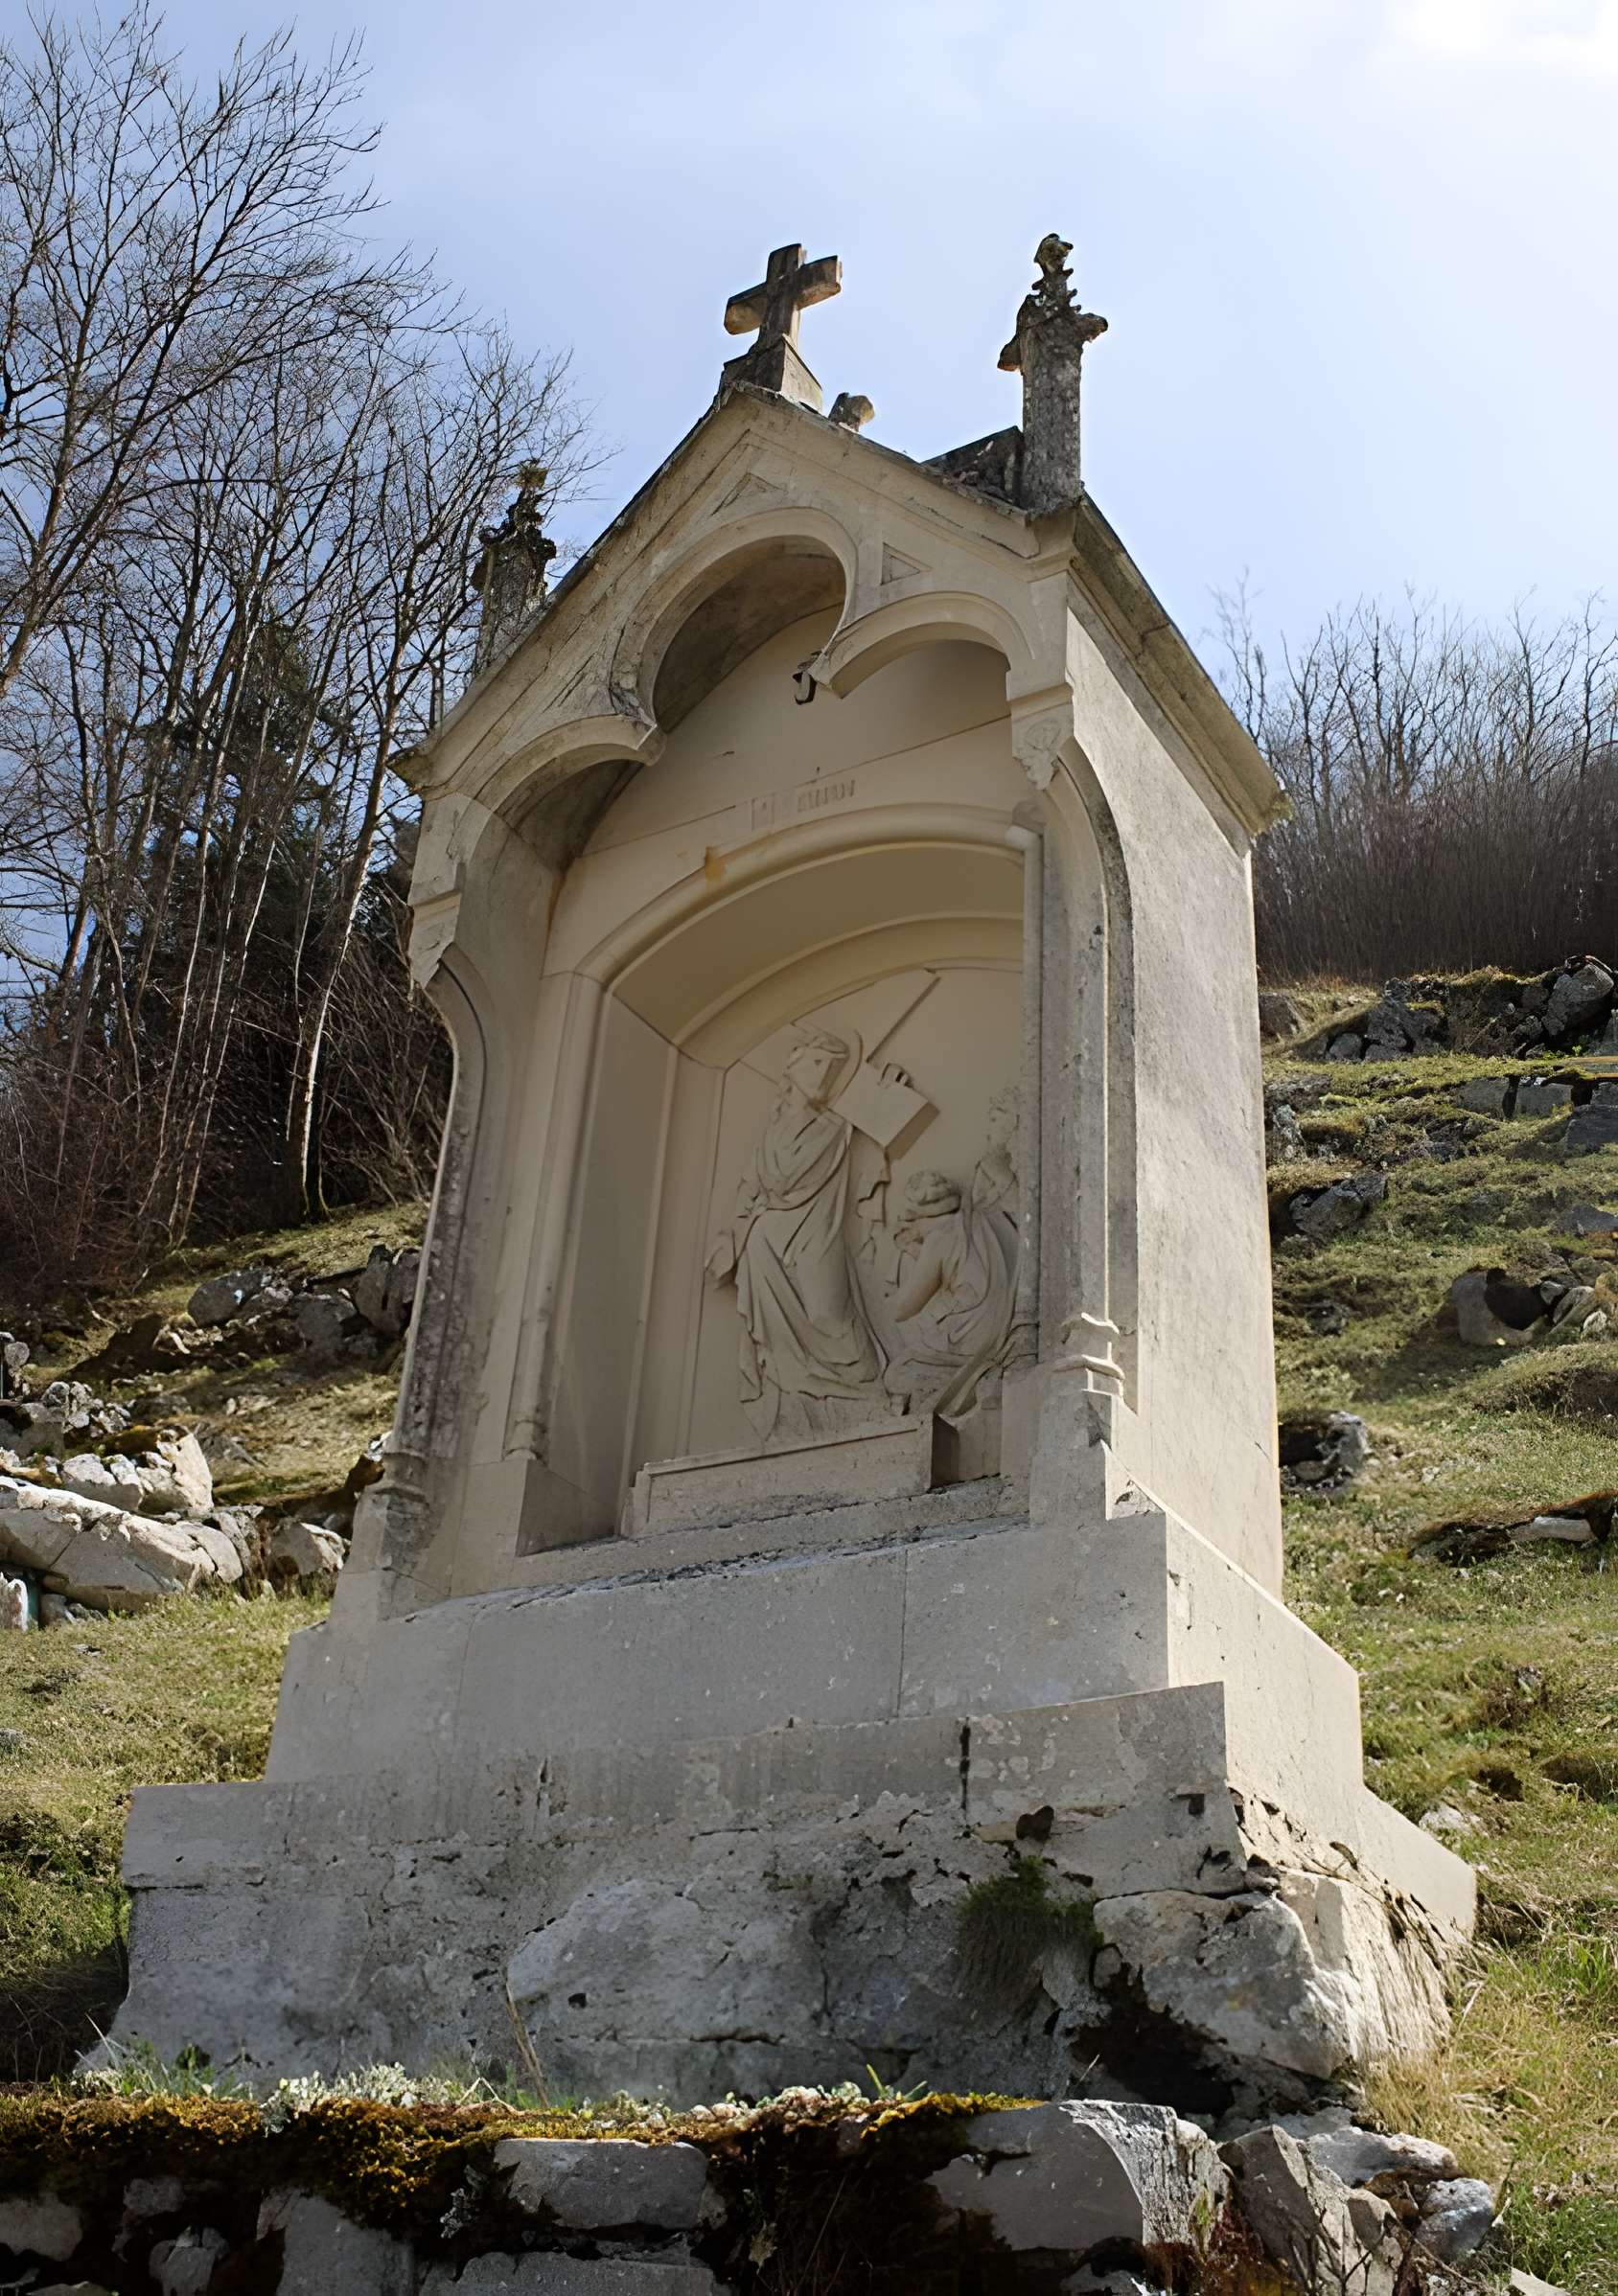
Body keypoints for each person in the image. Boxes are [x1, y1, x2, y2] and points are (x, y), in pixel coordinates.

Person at [706, 1026, 886, 1441]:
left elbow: (797, 1175)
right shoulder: (773, 1133)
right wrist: (729, 1236)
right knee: (780, 1342)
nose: (825, 1074)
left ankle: (866, 1394)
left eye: (833, 1068)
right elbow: (753, 1185)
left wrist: (881, 1096)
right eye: (818, 1063)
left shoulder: (834, 1126)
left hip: (815, 1233)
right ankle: (799, 1405)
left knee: (829, 1313)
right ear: (793, 1068)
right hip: (764, 1244)